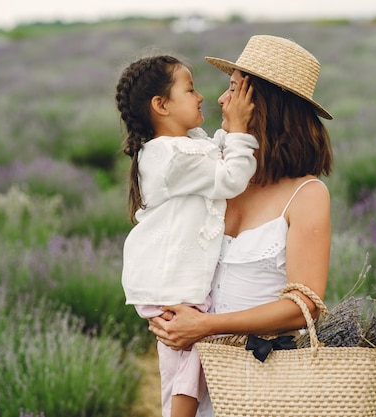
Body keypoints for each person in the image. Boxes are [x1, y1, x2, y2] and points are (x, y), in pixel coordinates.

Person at [148, 35, 334, 416]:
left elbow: (304, 307)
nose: (220, 99)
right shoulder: (220, 174)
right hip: (198, 378)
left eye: (234, 88)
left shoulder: (307, 194)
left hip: (261, 385)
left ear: (264, 104)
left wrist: (207, 326)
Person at [115, 54, 259, 417]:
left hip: (174, 281)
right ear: (160, 105)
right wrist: (240, 127)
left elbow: (213, 151)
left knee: (188, 368)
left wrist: (232, 126)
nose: (201, 98)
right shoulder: (172, 156)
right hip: (172, 284)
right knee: (185, 370)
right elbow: (228, 177)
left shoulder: (184, 145)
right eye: (190, 89)